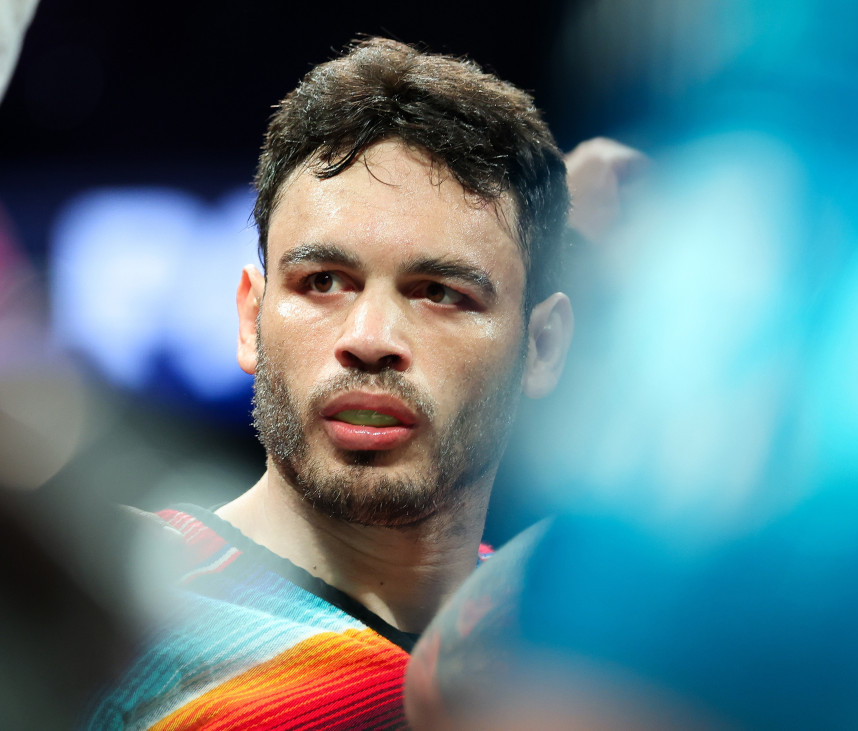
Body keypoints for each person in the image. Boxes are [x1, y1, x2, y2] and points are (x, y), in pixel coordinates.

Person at [85, 36, 625, 729]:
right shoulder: (94, 610)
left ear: (543, 346)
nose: (369, 339)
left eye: (440, 292)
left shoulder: (585, 653)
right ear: (250, 319)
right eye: (323, 282)